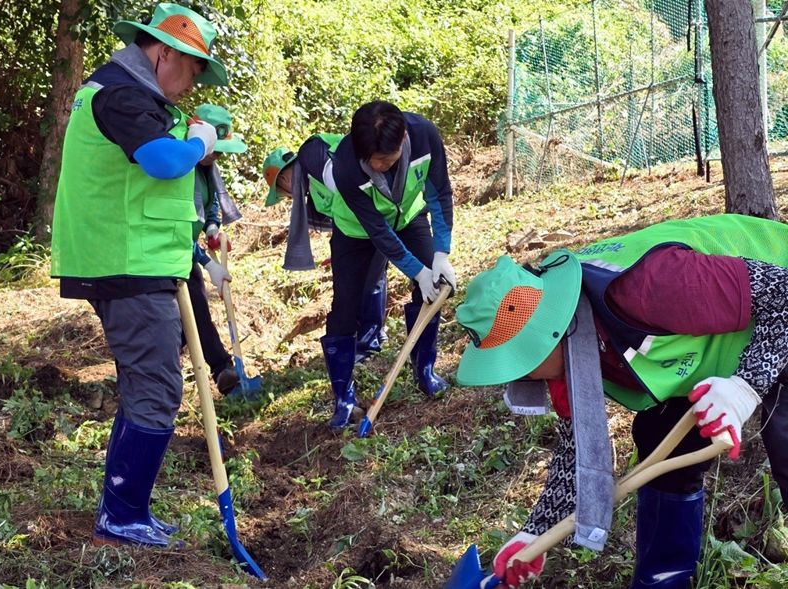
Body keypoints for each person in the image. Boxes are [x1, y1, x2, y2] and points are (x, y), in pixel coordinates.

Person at [454, 214, 788, 588]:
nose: (522, 376)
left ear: (544, 333)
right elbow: (579, 445)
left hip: (780, 306)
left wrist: (745, 387)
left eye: (522, 363)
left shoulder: (652, 286)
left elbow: (784, 294)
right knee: (658, 433)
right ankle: (662, 582)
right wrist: (537, 532)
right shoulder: (569, 343)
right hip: (726, 342)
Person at [50, 3, 227, 547]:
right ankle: (122, 516)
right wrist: (201, 143)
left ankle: (125, 509)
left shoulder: (127, 93)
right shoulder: (122, 95)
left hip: (136, 260)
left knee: (146, 384)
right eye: (193, 70)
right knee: (155, 386)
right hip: (124, 264)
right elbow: (162, 164)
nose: (190, 83)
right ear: (165, 52)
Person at [298, 101, 456, 430]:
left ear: (402, 142)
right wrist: (417, 270)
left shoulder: (425, 136)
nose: (379, 166)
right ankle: (343, 397)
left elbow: (439, 193)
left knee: (432, 288)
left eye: (386, 159)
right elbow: (379, 233)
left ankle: (424, 370)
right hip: (356, 230)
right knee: (346, 306)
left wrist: (440, 254)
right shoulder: (344, 164)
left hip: (409, 217)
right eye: (373, 160)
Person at [262, 136, 389, 365]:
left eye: (283, 190)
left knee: (371, 281)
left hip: (374, 219)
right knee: (362, 283)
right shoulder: (313, 189)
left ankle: (369, 342)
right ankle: (367, 338)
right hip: (354, 232)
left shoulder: (315, 159)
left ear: (285, 178)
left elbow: (350, 187)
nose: (289, 195)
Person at [187, 102, 253, 399]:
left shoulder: (209, 168)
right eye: (213, 148)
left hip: (184, 251)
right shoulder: (181, 168)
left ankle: (223, 370)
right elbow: (170, 224)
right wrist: (206, 262)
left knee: (197, 309)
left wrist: (212, 228)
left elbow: (211, 202)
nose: (216, 156)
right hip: (162, 252)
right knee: (182, 318)